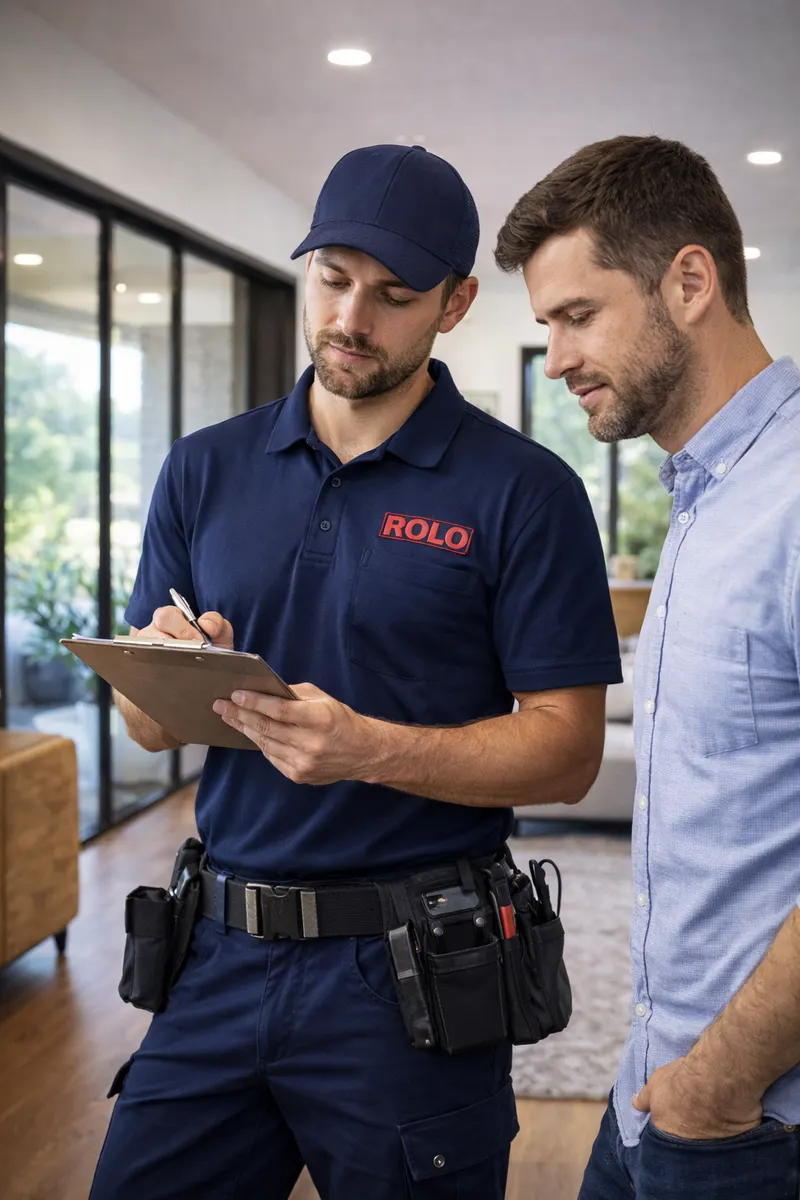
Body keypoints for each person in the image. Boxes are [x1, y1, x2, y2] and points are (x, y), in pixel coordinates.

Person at [90, 143, 621, 1200]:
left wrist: (364, 750)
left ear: (455, 304)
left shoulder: (525, 490)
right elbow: (147, 729)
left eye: (392, 295)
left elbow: (564, 753)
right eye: (331, 279)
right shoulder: (202, 467)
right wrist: (164, 673)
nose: (350, 318)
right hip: (215, 954)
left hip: (415, 975)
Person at [495, 133, 800, 1200]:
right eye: (546, 324)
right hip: (656, 1082)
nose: (559, 353)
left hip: (750, 1117)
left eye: (577, 315)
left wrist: (716, 1084)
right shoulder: (702, 492)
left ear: (686, 282)